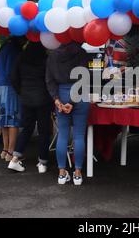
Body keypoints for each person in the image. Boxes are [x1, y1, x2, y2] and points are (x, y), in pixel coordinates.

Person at [46, 42, 90, 185]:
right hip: (80, 96)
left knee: (63, 135)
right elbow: (84, 79)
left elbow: (49, 80)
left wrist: (57, 99)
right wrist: (72, 101)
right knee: (78, 136)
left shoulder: (52, 56)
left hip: (61, 94)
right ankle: (77, 173)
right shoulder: (81, 53)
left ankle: (61, 173)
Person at [8, 42, 54, 173]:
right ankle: (42, 163)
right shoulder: (46, 60)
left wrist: (21, 91)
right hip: (43, 99)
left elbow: (13, 77)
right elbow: (50, 79)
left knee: (27, 129)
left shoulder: (21, 57)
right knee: (43, 131)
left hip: (26, 99)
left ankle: (15, 158)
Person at [0, 37, 24, 162]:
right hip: (10, 87)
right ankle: (11, 151)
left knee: (3, 119)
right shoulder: (14, 49)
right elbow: (12, 72)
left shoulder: (4, 47)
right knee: (12, 119)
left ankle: (5, 150)